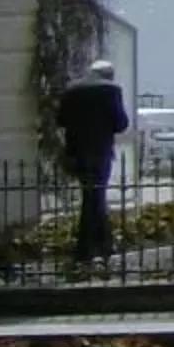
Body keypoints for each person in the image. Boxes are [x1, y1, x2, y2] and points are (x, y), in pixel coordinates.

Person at [56, 56, 129, 265]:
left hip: (76, 152)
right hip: (100, 152)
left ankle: (103, 244)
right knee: (94, 197)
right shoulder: (111, 90)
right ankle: (87, 248)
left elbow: (61, 120)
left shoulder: (72, 89)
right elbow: (121, 124)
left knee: (92, 196)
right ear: (109, 75)